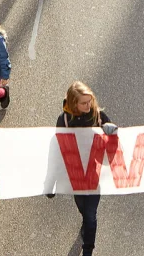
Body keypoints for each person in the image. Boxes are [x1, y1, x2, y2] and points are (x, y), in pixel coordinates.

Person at [57, 81, 117, 256]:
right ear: (74, 103)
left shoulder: (98, 116)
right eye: (83, 103)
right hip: (76, 175)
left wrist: (111, 131)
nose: (88, 106)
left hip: (93, 174)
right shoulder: (64, 120)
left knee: (91, 216)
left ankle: (88, 249)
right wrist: (51, 182)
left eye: (89, 101)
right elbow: (57, 147)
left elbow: (113, 138)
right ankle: (85, 223)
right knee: (82, 208)